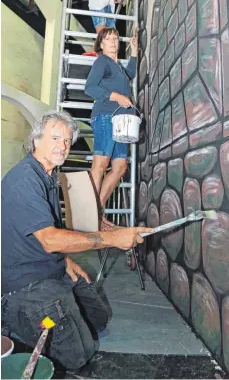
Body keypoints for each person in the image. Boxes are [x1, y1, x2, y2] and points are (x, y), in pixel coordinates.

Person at [1, 110, 153, 374]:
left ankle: (56, 310)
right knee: (79, 355)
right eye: (55, 138)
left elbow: (42, 233)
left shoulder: (47, 176)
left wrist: (66, 260)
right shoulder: (24, 180)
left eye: (67, 140)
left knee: (100, 318)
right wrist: (111, 239)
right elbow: (49, 240)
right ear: (36, 141)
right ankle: (12, 324)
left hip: (50, 268)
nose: (63, 146)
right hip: (25, 285)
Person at [84, 28, 137, 228]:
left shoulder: (118, 67)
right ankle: (89, 213)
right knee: (100, 164)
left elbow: (130, 73)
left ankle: (97, 210)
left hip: (121, 121)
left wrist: (134, 51)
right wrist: (117, 97)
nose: (113, 41)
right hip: (106, 116)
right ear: (101, 44)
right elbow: (89, 87)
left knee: (120, 167)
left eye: (116, 38)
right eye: (108, 39)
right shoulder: (102, 61)